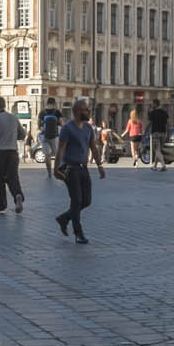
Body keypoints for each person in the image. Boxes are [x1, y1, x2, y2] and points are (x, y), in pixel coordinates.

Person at [55, 99, 107, 244]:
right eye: (86, 110)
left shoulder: (88, 128)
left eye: (88, 109)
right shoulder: (67, 128)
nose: (88, 112)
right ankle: (78, 233)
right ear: (77, 112)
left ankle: (64, 218)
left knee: (86, 201)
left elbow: (94, 148)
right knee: (76, 200)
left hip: (83, 168)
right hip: (70, 169)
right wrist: (55, 169)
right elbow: (61, 150)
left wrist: (99, 166)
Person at [0, 97, 25, 213]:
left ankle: (0, 204)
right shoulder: (13, 118)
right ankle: (17, 195)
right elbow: (22, 135)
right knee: (13, 177)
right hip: (13, 152)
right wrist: (12, 137)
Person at [38, 100, 63, 177]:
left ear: (47, 103)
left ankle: (49, 173)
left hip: (44, 136)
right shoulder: (57, 112)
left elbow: (39, 125)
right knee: (57, 155)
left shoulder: (42, 112)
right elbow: (62, 124)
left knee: (47, 155)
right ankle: (57, 170)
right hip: (54, 136)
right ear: (54, 104)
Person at [148, 105, 172, 169]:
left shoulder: (153, 113)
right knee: (159, 150)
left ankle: (163, 165)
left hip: (155, 133)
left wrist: (145, 132)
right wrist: (168, 134)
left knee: (157, 150)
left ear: (154, 104)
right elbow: (168, 124)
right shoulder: (164, 113)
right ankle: (155, 166)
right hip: (163, 133)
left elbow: (149, 123)